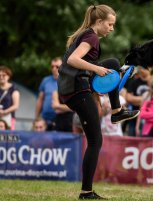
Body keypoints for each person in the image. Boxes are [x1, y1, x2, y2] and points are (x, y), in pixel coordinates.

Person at [57, 5, 139, 199]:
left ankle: (117, 110)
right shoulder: (91, 36)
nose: (112, 28)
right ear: (99, 22)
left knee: (112, 64)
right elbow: (74, 60)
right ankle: (86, 192)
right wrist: (96, 69)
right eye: (110, 24)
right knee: (95, 141)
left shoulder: (86, 34)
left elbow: (81, 67)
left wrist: (97, 88)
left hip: (75, 87)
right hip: (75, 90)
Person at [35, 57, 61, 130]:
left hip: (60, 118)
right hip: (44, 119)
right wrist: (36, 117)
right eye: (52, 66)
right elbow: (40, 99)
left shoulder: (66, 81)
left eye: (57, 66)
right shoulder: (46, 80)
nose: (54, 68)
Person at [0, 65, 20, 130]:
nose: (1, 77)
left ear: (8, 76)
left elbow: (16, 106)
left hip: (9, 118)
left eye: (4, 75)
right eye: (0, 75)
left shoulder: (13, 89)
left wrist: (4, 112)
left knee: (8, 137)